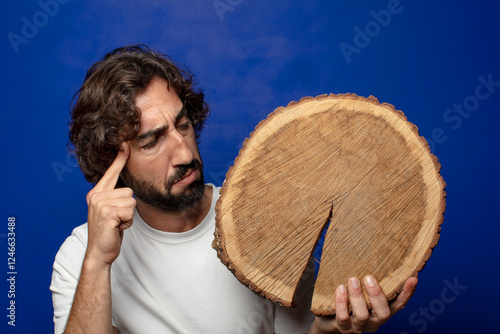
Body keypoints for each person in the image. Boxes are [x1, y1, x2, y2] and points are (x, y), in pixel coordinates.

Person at [50, 45, 418, 334]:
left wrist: (331, 330)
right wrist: (98, 263)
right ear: (112, 162)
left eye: (183, 125)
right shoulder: (81, 257)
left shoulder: (263, 220)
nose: (183, 151)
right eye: (152, 142)